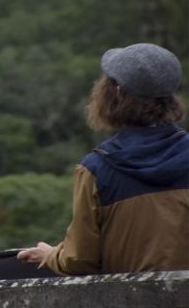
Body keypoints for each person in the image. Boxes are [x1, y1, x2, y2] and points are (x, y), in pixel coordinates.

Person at [18, 43, 189, 274]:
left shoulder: (97, 168)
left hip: (131, 307)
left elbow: (80, 260)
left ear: (116, 91)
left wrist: (51, 255)